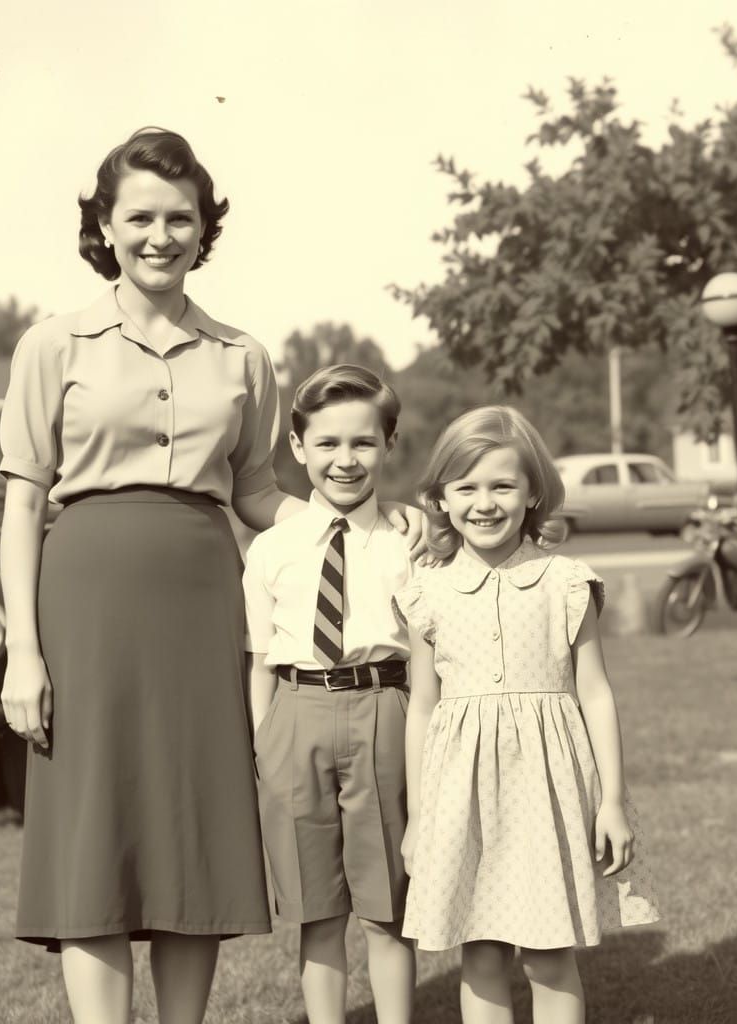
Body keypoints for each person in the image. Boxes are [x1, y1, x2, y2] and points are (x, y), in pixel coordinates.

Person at [0, 128, 420, 1024]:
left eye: (179, 218)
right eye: (140, 217)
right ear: (105, 228)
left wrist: (363, 527)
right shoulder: (52, 345)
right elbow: (24, 504)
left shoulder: (243, 356)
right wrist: (23, 656)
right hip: (84, 608)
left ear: (204, 228)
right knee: (93, 829)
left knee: (191, 825)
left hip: (202, 606)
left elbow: (261, 491)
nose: (161, 236)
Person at [394, 406, 659, 1024]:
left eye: (502, 486)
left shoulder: (564, 583)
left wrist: (613, 800)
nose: (484, 503)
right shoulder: (425, 593)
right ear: (440, 497)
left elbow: (595, 692)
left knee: (547, 957)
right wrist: (418, 816)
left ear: (533, 492)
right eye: (466, 487)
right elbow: (423, 709)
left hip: (548, 792)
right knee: (481, 953)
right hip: (462, 797)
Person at [243, 365, 417, 1024]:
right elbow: (260, 658)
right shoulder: (271, 549)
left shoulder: (410, 543)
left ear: (389, 445)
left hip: (384, 711)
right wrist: (265, 742)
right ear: (297, 447)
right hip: (295, 715)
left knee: (386, 908)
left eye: (363, 443)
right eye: (327, 444)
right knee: (316, 911)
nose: (345, 461)